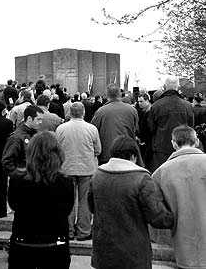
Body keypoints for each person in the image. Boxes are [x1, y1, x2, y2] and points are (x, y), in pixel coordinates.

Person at [88, 136, 173, 269]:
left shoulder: (98, 175)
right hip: (133, 252)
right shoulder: (142, 179)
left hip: (103, 250)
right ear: (133, 156)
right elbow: (157, 217)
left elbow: (92, 207)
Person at [8, 132, 74, 268]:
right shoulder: (64, 182)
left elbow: (13, 204)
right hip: (55, 242)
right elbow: (67, 209)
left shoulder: (17, 180)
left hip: (24, 241)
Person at [152, 126, 206, 269]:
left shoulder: (161, 172)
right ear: (197, 141)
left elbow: (157, 211)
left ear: (174, 143)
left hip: (183, 245)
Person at [56, 102, 101, 241]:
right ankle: (84, 231)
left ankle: (68, 231)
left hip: (66, 168)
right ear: (84, 112)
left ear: (69, 113)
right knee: (85, 200)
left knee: (67, 200)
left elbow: (56, 149)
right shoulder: (91, 129)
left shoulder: (61, 128)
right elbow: (98, 150)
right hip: (86, 168)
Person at [147, 77, 194, 171]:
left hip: (161, 149)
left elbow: (151, 128)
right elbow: (191, 127)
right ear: (177, 87)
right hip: (182, 147)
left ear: (165, 87)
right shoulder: (187, 105)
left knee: (163, 176)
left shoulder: (156, 106)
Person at [91, 83, 139, 165]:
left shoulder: (100, 112)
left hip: (107, 155)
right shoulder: (132, 110)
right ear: (120, 94)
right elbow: (136, 129)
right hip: (128, 154)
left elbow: (94, 131)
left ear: (107, 95)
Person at [2, 105, 44, 176]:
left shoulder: (36, 134)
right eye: (38, 119)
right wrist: (22, 176)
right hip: (22, 181)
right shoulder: (16, 137)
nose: (41, 122)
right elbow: (7, 161)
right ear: (29, 118)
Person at [136, 93, 153, 169]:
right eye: (138, 101)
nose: (139, 103)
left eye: (141, 101)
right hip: (144, 141)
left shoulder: (150, 112)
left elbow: (149, 128)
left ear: (147, 101)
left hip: (148, 142)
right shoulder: (143, 111)